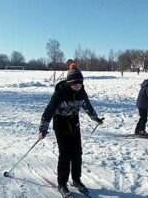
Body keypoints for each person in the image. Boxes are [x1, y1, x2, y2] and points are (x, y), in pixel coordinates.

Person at [39, 63, 104, 197]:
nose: (78, 87)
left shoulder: (81, 92)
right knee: (65, 154)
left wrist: (96, 119)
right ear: (69, 83)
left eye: (80, 84)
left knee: (77, 153)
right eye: (75, 84)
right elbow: (49, 111)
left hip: (74, 123)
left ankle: (76, 180)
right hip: (60, 124)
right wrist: (43, 129)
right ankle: (62, 183)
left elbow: (88, 107)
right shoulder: (60, 93)